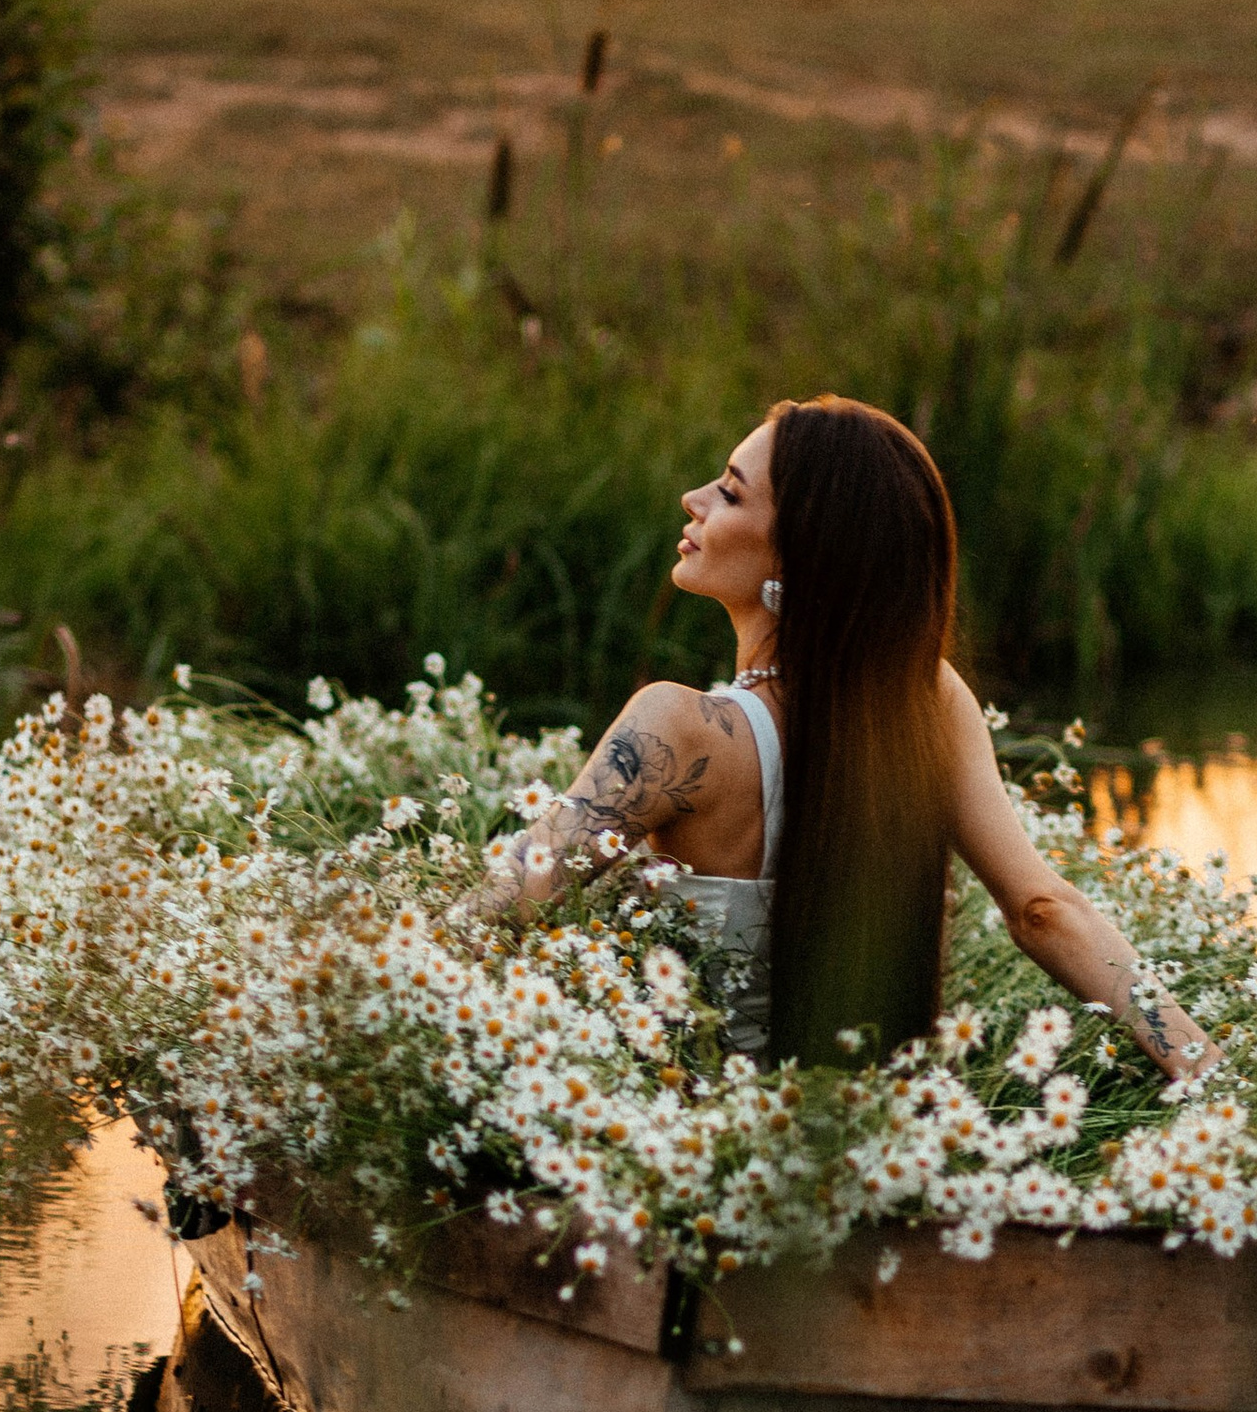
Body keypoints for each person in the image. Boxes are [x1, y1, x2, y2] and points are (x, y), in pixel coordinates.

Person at [483, 391, 1217, 1081]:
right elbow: (1042, 909)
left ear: (801, 558)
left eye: (731, 493)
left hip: (687, 1147)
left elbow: (505, 905)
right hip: (860, 1132)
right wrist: (1207, 1072)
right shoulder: (923, 697)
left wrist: (378, 964)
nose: (695, 499)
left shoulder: (677, 726)